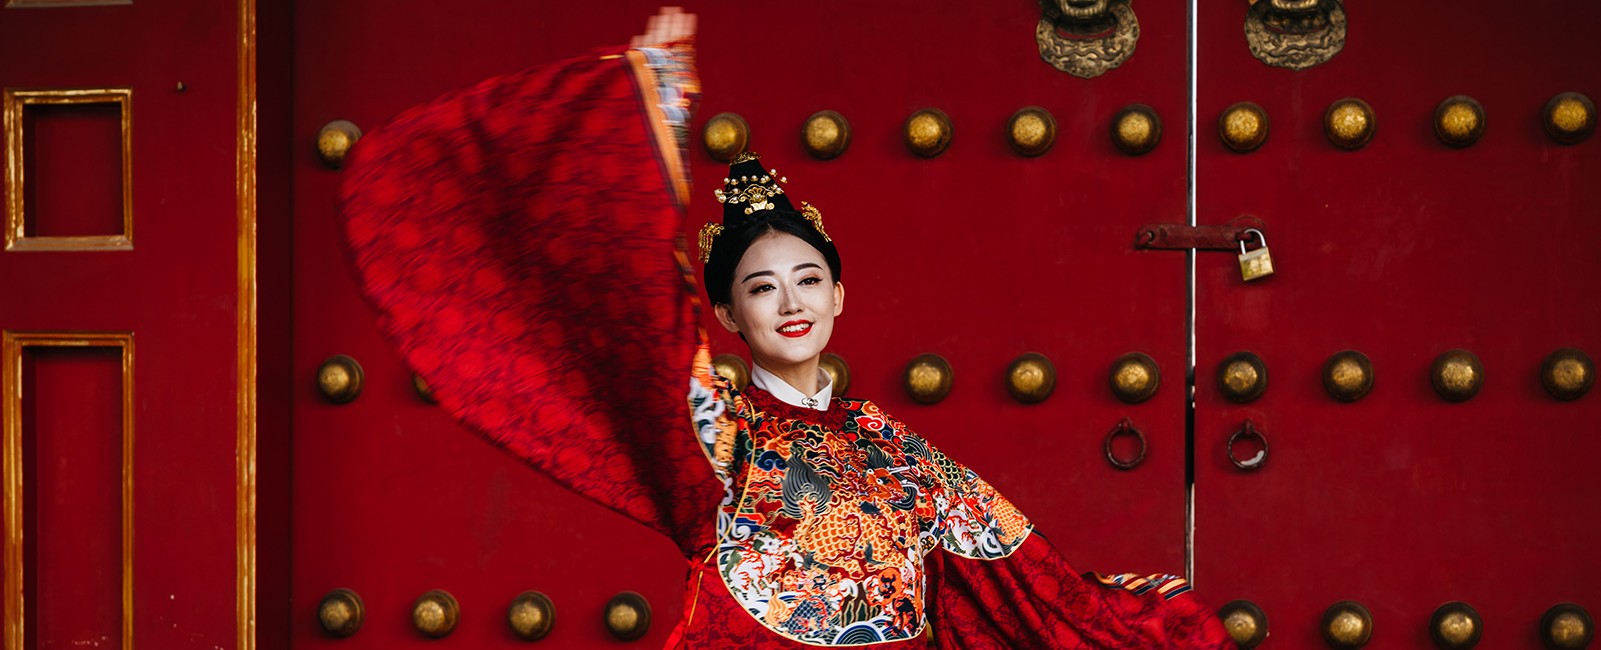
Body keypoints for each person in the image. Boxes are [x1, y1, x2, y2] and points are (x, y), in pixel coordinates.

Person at [337, 9, 1235, 649]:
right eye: (762, 289)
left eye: (809, 279)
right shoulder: (720, 428)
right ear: (730, 314)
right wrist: (659, 109)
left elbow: (1022, 582)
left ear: (840, 295)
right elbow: (641, 315)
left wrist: (1138, 616)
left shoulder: (894, 445)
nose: (791, 302)